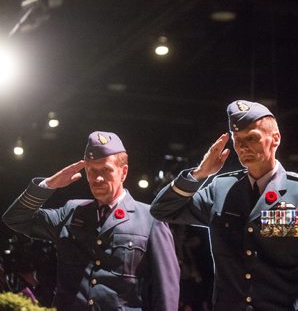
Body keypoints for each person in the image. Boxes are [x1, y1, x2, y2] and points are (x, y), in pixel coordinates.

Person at [150, 100, 298, 311]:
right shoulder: (221, 189)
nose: (242, 146)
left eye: (252, 138)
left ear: (275, 139)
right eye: (237, 139)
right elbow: (162, 210)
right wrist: (200, 174)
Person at [2, 131, 180, 310]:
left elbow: (166, 291)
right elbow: (16, 219)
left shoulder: (150, 219)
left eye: (106, 170)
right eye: (92, 171)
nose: (98, 178)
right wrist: (48, 186)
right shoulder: (71, 211)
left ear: (123, 172)